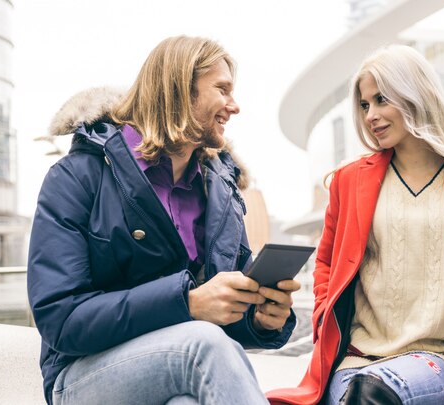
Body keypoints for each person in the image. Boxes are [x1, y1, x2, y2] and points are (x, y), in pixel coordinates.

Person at [267, 44, 444, 405]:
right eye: (365, 104)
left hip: (437, 359)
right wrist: (324, 316)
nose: (371, 115)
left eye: (382, 99)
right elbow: (325, 264)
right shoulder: (349, 181)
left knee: (372, 395)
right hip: (354, 362)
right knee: (360, 392)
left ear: (415, 95)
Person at [27, 35, 300, 405]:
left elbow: (222, 312)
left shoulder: (220, 192)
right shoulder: (78, 176)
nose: (234, 106)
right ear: (179, 91)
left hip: (178, 363)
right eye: (222, 89)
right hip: (80, 375)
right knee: (202, 345)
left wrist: (260, 320)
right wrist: (186, 304)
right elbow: (61, 319)